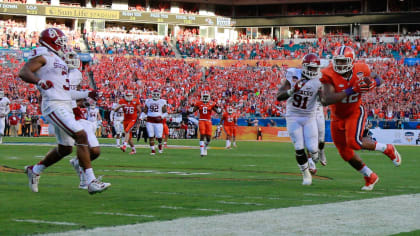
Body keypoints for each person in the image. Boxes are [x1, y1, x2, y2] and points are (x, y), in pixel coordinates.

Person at [19, 28, 110, 194]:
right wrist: (39, 82)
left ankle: (35, 170)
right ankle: (90, 181)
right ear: (51, 41)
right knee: (81, 134)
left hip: (64, 104)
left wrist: (86, 93)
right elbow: (24, 72)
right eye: (60, 42)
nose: (62, 45)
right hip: (54, 105)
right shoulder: (44, 55)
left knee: (66, 148)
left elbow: (66, 92)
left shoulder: (57, 59)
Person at [320, 45, 401, 191]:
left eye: (343, 61)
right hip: (337, 116)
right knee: (344, 153)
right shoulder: (328, 73)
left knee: (354, 142)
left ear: (351, 61)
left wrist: (372, 84)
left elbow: (379, 80)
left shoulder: (362, 69)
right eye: (337, 61)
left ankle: (387, 148)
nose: (339, 65)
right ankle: (370, 176)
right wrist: (352, 90)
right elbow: (326, 99)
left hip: (354, 111)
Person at [276, 53, 323, 185]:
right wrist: (292, 91)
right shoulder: (293, 74)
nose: (313, 71)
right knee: (299, 147)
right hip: (293, 116)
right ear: (304, 67)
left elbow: (324, 101)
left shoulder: (320, 79)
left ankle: (313, 160)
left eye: (315, 68)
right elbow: (279, 96)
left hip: (309, 116)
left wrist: (322, 95)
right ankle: (306, 174)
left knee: (313, 149)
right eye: (310, 68)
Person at [65, 49, 104, 190]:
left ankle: (79, 166)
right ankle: (89, 180)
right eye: (68, 57)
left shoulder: (76, 74)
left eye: (72, 57)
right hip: (62, 115)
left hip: (77, 115)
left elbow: (76, 96)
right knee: (66, 148)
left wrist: (85, 102)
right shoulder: (54, 75)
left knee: (95, 151)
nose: (71, 60)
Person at [189, 91, 221, 157]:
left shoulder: (211, 103)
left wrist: (219, 109)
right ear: (202, 97)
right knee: (202, 134)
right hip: (201, 120)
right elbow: (192, 111)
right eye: (204, 97)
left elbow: (218, 111)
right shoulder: (199, 103)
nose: (205, 98)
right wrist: (191, 108)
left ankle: (205, 147)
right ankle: (201, 151)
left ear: (208, 97)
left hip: (208, 121)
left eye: (206, 97)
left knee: (209, 138)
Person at [144, 89, 167, 155]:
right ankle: (153, 150)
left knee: (159, 136)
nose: (156, 95)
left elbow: (165, 112)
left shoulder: (162, 101)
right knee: (151, 136)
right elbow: (145, 111)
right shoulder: (148, 101)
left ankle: (160, 145)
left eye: (157, 94)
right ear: (152, 94)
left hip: (158, 121)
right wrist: (142, 117)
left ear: (159, 95)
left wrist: (161, 117)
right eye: (154, 94)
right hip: (150, 120)